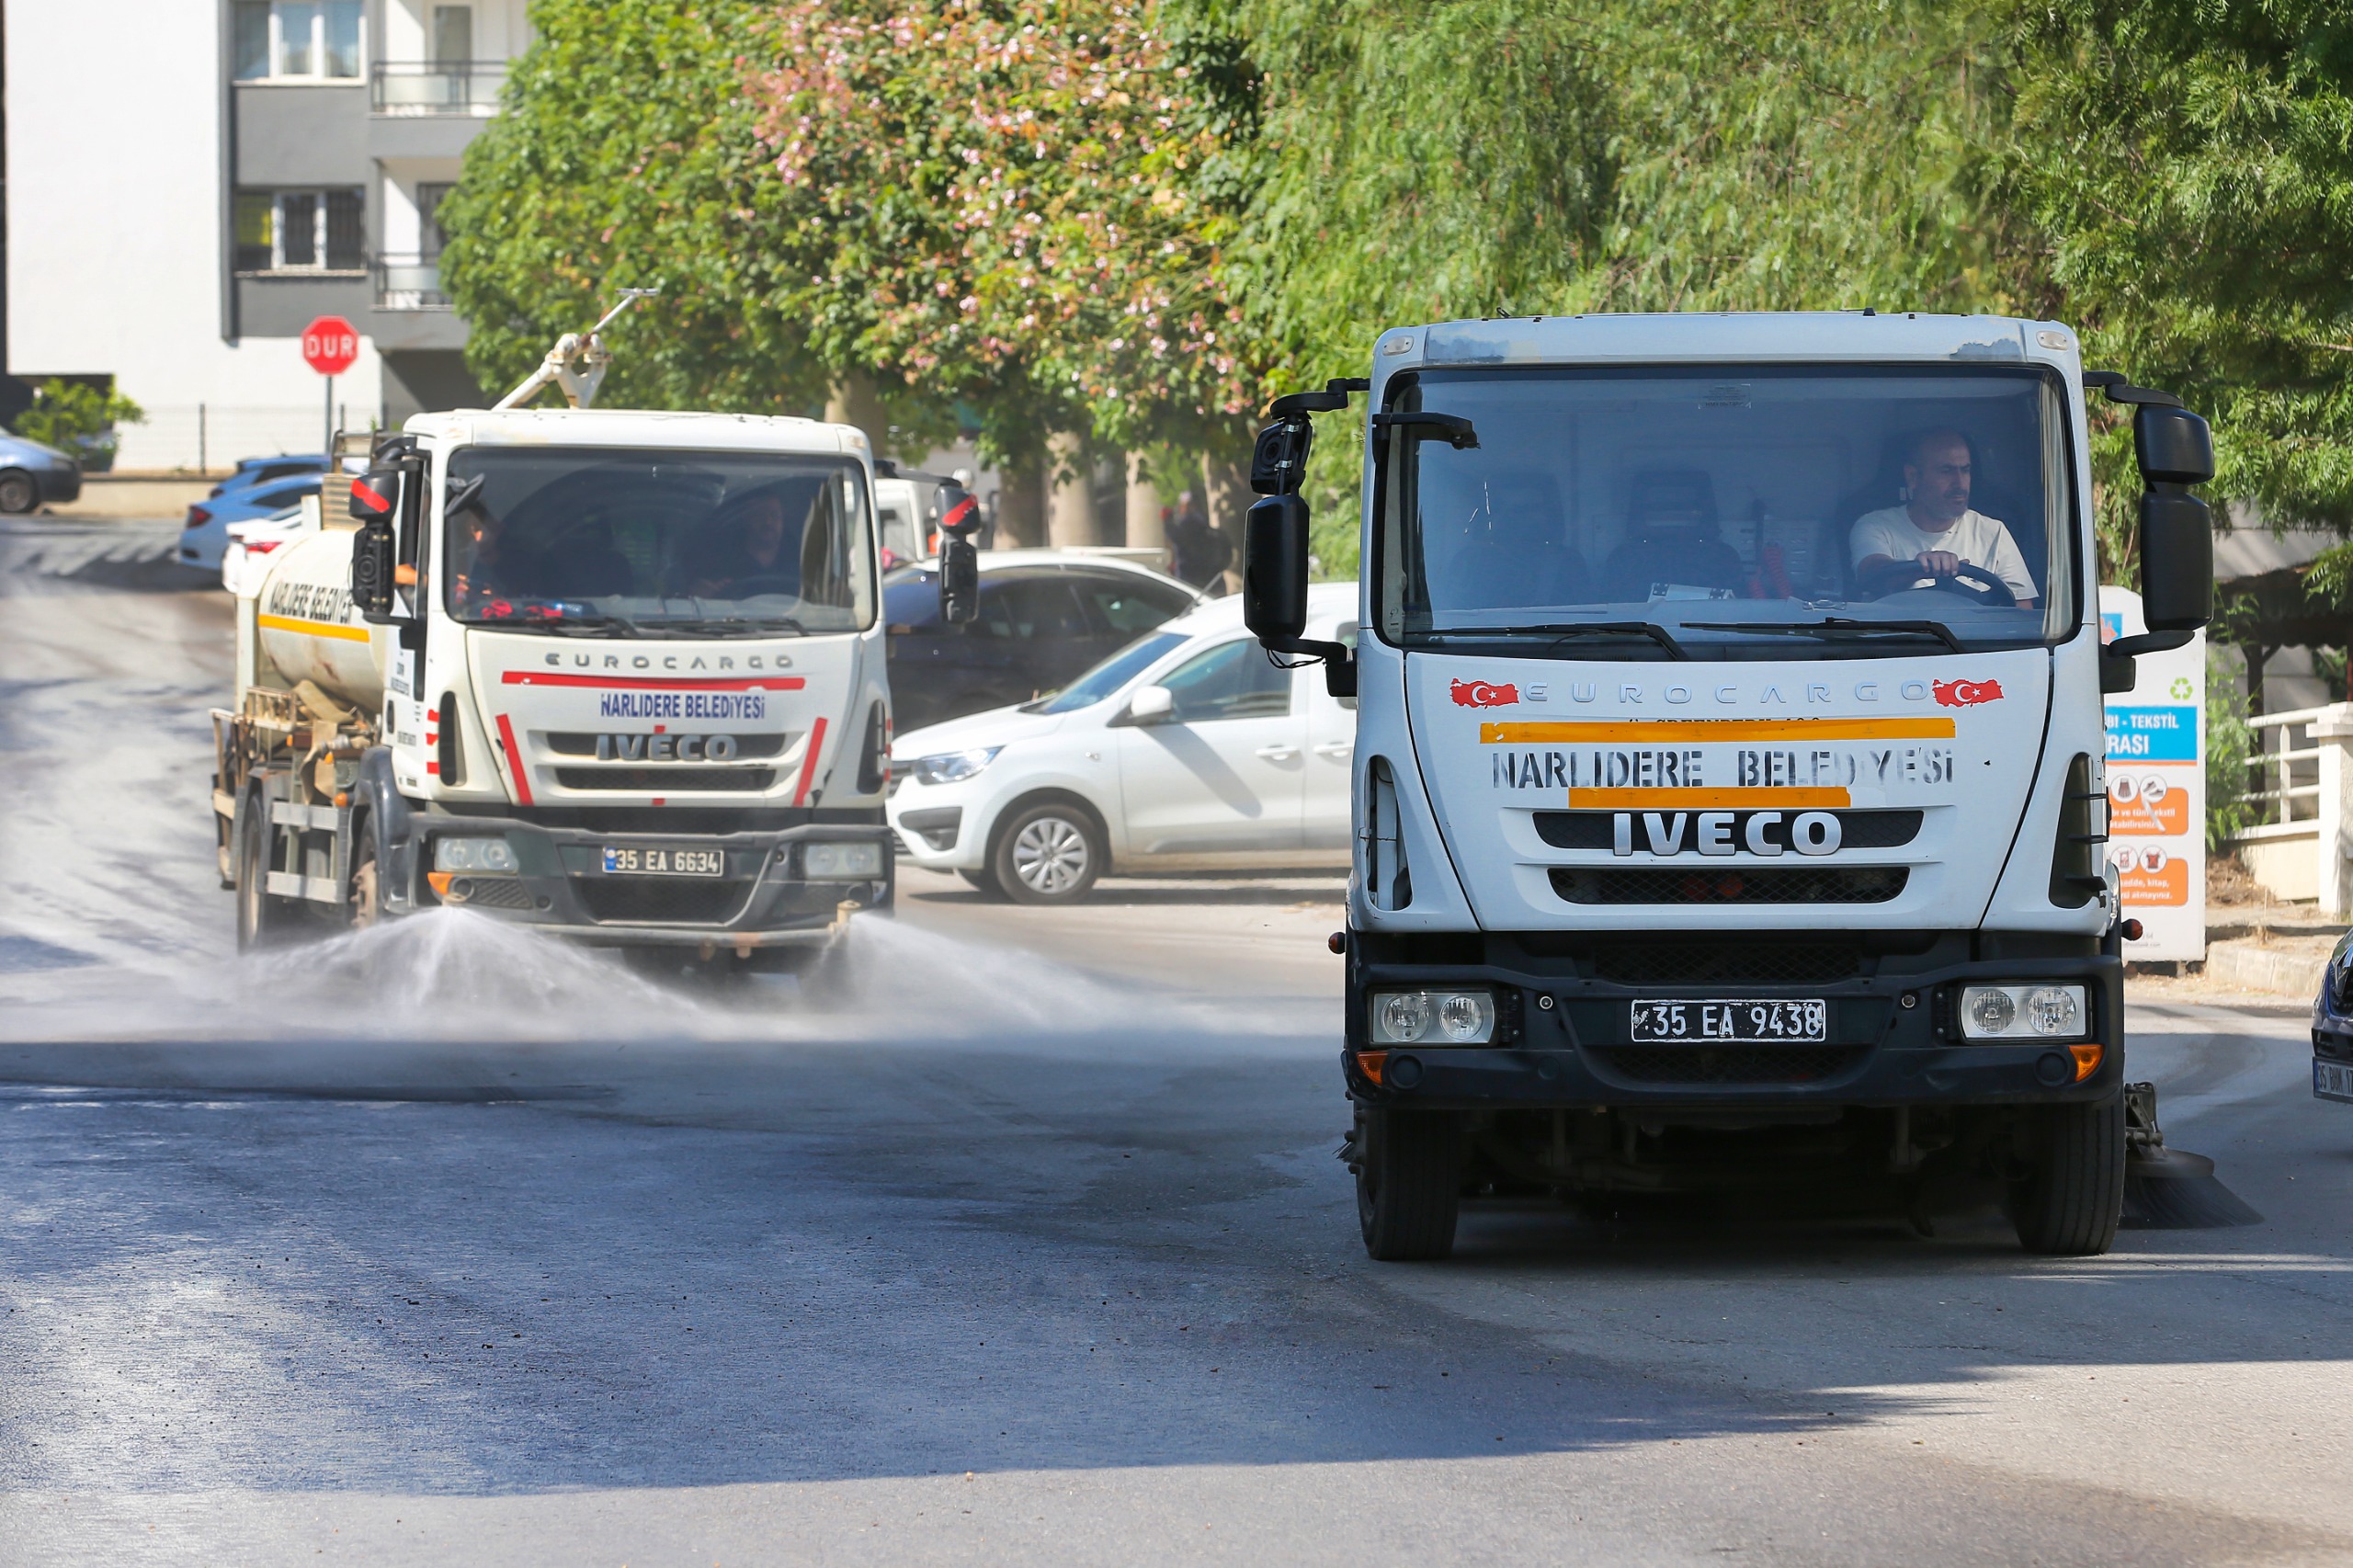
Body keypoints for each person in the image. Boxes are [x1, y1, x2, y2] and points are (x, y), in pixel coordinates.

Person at [1850, 428, 2037, 607]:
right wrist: (1920, 567)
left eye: (1965, 470)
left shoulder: (1993, 531)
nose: (1960, 483)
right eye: (1946, 471)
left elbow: (2020, 609)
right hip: (1895, 637)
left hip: (1976, 638)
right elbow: (1872, 572)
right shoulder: (1875, 526)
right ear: (1913, 476)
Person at [688, 493, 792, 597]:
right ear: (747, 519)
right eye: (759, 514)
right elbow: (696, 598)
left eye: (774, 515)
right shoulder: (721, 561)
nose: (768, 522)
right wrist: (701, 593)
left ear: (783, 520)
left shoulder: (800, 561)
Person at [1165, 487, 1231, 589]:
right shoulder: (1211, 531)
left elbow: (1177, 536)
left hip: (1190, 580)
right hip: (1213, 581)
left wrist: (1167, 521)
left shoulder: (1188, 525)